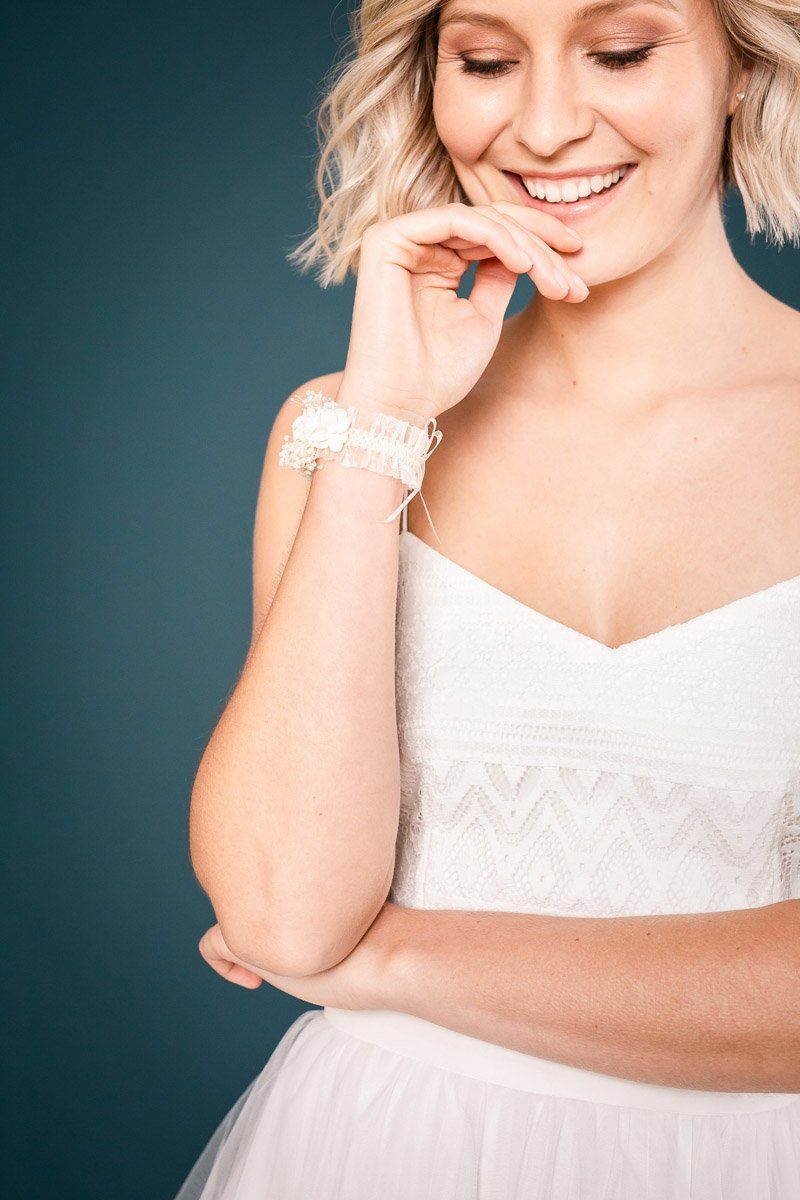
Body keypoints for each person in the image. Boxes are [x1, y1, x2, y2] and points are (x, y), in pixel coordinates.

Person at [174, 0, 800, 1195]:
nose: (548, 125)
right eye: (485, 60)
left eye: (619, 53)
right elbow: (282, 911)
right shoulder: (339, 427)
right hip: (371, 1153)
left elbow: (311, 952)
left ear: (737, 66)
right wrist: (382, 429)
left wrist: (391, 961)